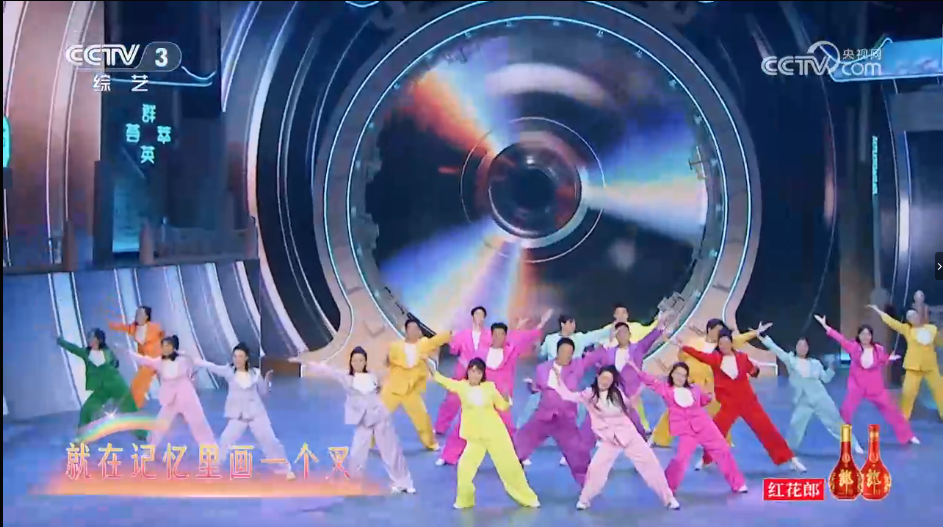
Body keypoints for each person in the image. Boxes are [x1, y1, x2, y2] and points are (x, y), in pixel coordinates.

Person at [550, 365, 679, 511]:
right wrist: (558, 378)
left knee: (651, 465)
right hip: (610, 439)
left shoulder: (617, 394)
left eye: (609, 379)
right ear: (598, 377)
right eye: (603, 377)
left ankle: (668, 499)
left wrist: (637, 395)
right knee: (596, 468)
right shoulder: (589, 394)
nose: (605, 381)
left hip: (629, 436)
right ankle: (584, 499)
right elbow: (567, 395)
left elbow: (628, 406)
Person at [677, 330, 807, 472]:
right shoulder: (715, 359)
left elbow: (753, 371)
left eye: (726, 342)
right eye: (721, 343)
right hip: (729, 405)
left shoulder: (742, 358)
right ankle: (705, 459)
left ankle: (791, 459)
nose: (724, 346)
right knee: (716, 431)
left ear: (731, 343)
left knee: (767, 429)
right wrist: (684, 347)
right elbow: (699, 355)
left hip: (748, 402)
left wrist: (756, 370)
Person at [292, 347, 415, 493]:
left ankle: (404, 483)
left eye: (361, 360)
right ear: (351, 362)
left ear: (365, 362)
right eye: (355, 360)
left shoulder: (373, 376)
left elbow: (385, 380)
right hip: (363, 421)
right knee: (357, 454)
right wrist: (303, 362)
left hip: (380, 418)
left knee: (391, 452)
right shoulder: (345, 377)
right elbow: (327, 370)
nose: (358, 363)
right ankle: (354, 483)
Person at [438, 311, 552, 466]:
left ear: (506, 336)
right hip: (481, 394)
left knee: (507, 427)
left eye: (502, 334)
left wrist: (541, 324)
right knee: (465, 423)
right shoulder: (481, 352)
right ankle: (448, 456)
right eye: (496, 334)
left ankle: (519, 455)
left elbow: (525, 337)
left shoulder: (511, 350)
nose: (498, 337)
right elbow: (471, 368)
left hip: (500, 396)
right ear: (491, 335)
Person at [426, 357, 540, 509]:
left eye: (478, 372)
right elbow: (443, 380)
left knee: (511, 467)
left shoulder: (489, 388)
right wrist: (432, 368)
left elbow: (502, 406)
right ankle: (465, 501)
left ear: (482, 374)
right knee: (464, 469)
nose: (475, 375)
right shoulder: (462, 386)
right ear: (468, 371)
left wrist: (506, 398)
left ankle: (529, 499)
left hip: (496, 434)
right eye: (472, 371)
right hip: (475, 438)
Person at [631, 361, 746, 494]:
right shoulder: (665, 389)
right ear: (672, 374)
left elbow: (704, 400)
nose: (680, 377)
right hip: (686, 431)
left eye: (683, 375)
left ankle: (738, 484)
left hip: (705, 426)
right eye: (678, 374)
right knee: (680, 459)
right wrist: (635, 369)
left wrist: (710, 396)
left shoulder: (694, 389)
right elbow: (650, 381)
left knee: (722, 450)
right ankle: (668, 486)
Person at [649, 319, 760, 448]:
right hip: (692, 385)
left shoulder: (722, 345)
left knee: (720, 414)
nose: (719, 333)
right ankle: (660, 439)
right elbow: (683, 356)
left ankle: (724, 441)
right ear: (710, 330)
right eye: (717, 330)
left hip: (712, 387)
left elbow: (740, 339)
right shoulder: (695, 342)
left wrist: (755, 333)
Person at [194, 343, 294, 479]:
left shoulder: (256, 373)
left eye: (240, 356)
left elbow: (263, 392)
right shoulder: (229, 371)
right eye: (235, 356)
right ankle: (213, 468)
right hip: (238, 415)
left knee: (270, 441)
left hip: (256, 413)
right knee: (225, 439)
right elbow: (213, 367)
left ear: (246, 358)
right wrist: (199, 362)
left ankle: (284, 469)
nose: (237, 359)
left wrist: (267, 381)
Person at [816, 315, 920, 444]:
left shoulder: (878, 349)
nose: (865, 337)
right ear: (859, 336)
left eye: (868, 334)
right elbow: (840, 338)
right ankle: (844, 436)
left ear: (871, 336)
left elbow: (883, 359)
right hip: (857, 386)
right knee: (846, 411)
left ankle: (908, 436)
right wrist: (826, 326)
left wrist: (889, 358)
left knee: (892, 410)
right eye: (863, 334)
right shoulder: (853, 347)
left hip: (875, 387)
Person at [515, 338, 603, 485]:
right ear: (557, 351)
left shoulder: (577, 366)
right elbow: (538, 387)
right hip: (544, 415)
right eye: (563, 351)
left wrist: (605, 345)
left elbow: (593, 358)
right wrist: (532, 386)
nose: (566, 355)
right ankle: (513, 473)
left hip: (565, 418)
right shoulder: (543, 368)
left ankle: (588, 485)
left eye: (569, 352)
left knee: (578, 453)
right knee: (522, 441)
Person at [759, 332, 863, 454]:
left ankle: (854, 444)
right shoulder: (790, 360)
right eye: (799, 345)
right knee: (795, 425)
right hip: (803, 400)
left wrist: (831, 369)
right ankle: (788, 449)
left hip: (820, 397)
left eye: (804, 346)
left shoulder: (815, 363)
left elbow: (825, 379)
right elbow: (777, 350)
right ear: (796, 347)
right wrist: (764, 338)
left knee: (836, 422)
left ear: (808, 348)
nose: (802, 348)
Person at [580, 316, 669, 447]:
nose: (622, 335)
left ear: (629, 334)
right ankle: (583, 444)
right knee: (594, 414)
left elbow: (650, 338)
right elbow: (590, 361)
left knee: (633, 418)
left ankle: (642, 440)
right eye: (619, 333)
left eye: (625, 332)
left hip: (629, 391)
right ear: (616, 336)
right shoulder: (608, 351)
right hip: (610, 390)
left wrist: (660, 326)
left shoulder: (638, 348)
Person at [120, 335, 216, 449]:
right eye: (163, 346)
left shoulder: (183, 360)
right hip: (170, 400)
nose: (165, 348)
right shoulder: (160, 362)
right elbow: (145, 360)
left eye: (168, 346)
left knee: (198, 422)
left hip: (187, 397)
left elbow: (191, 369)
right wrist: (129, 353)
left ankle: (211, 447)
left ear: (173, 347)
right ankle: (151, 447)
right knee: (160, 425)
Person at [56, 329, 146, 440]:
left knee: (130, 410)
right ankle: (81, 435)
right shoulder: (88, 353)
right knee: (87, 408)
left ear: (98, 340)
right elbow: (73, 348)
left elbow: (111, 361)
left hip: (117, 385)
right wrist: (60, 341)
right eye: (89, 337)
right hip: (102, 388)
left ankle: (143, 435)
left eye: (92, 337)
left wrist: (113, 356)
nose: (89, 339)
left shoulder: (105, 352)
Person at [380, 319, 451, 450]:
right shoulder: (395, 346)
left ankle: (431, 443)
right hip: (394, 388)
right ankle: (367, 441)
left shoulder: (423, 344)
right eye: (411, 328)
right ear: (406, 330)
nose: (413, 331)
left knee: (422, 418)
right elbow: (388, 362)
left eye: (416, 329)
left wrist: (450, 333)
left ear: (419, 331)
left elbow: (436, 341)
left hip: (411, 390)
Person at [868, 304, 943, 420]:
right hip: (913, 367)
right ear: (909, 321)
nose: (914, 318)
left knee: (940, 390)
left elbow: (940, 341)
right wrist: (878, 311)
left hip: (930, 367)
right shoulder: (907, 330)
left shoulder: (931, 329)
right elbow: (892, 323)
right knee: (908, 392)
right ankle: (903, 418)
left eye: (915, 315)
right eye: (910, 317)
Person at [598, 304, 661, 431]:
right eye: (618, 313)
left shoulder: (636, 330)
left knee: (635, 402)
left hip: (632, 376)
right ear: (614, 315)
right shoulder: (608, 332)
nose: (621, 315)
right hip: (615, 378)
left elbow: (649, 334)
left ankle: (643, 427)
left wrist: (660, 322)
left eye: (623, 313)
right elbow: (600, 350)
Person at [434, 306, 491, 435]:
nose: (479, 317)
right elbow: (454, 350)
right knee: (452, 400)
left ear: (484, 318)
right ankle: (440, 427)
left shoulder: (489, 335)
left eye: (481, 315)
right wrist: (452, 339)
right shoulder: (463, 334)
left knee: (483, 399)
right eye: (477, 314)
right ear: (473, 317)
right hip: (463, 369)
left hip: (481, 372)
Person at [109, 306, 164, 408]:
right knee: (139, 383)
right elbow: (123, 327)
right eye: (137, 313)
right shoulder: (134, 327)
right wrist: (110, 324)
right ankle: (134, 404)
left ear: (146, 316)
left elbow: (164, 337)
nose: (137, 316)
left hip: (158, 358)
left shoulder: (154, 327)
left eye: (140, 314)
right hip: (146, 361)